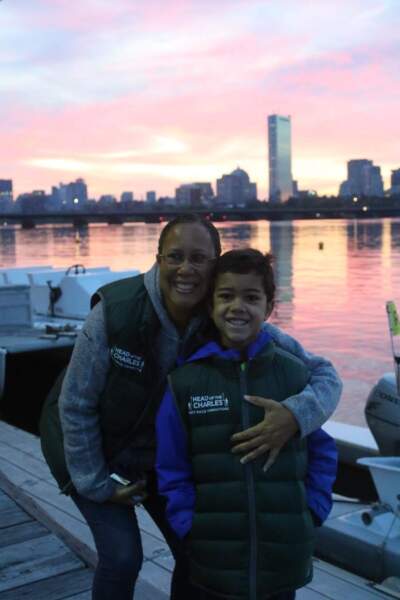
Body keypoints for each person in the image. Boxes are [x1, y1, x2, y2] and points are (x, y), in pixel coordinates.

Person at [39, 215, 341, 600]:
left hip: (159, 460)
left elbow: (325, 375)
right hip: (90, 450)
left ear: (215, 264)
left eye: (199, 259)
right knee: (122, 555)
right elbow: (76, 405)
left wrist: (296, 415)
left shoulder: (219, 311)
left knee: (192, 550)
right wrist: (96, 482)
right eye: (175, 256)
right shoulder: (115, 313)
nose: (186, 269)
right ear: (158, 258)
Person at [156, 248, 338, 600]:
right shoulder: (185, 383)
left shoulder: (295, 375)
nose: (237, 307)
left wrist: (312, 510)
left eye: (251, 297)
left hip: (282, 554)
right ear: (210, 305)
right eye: (226, 296)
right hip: (213, 553)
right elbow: (171, 464)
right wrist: (187, 525)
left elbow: (323, 451)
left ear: (269, 308)